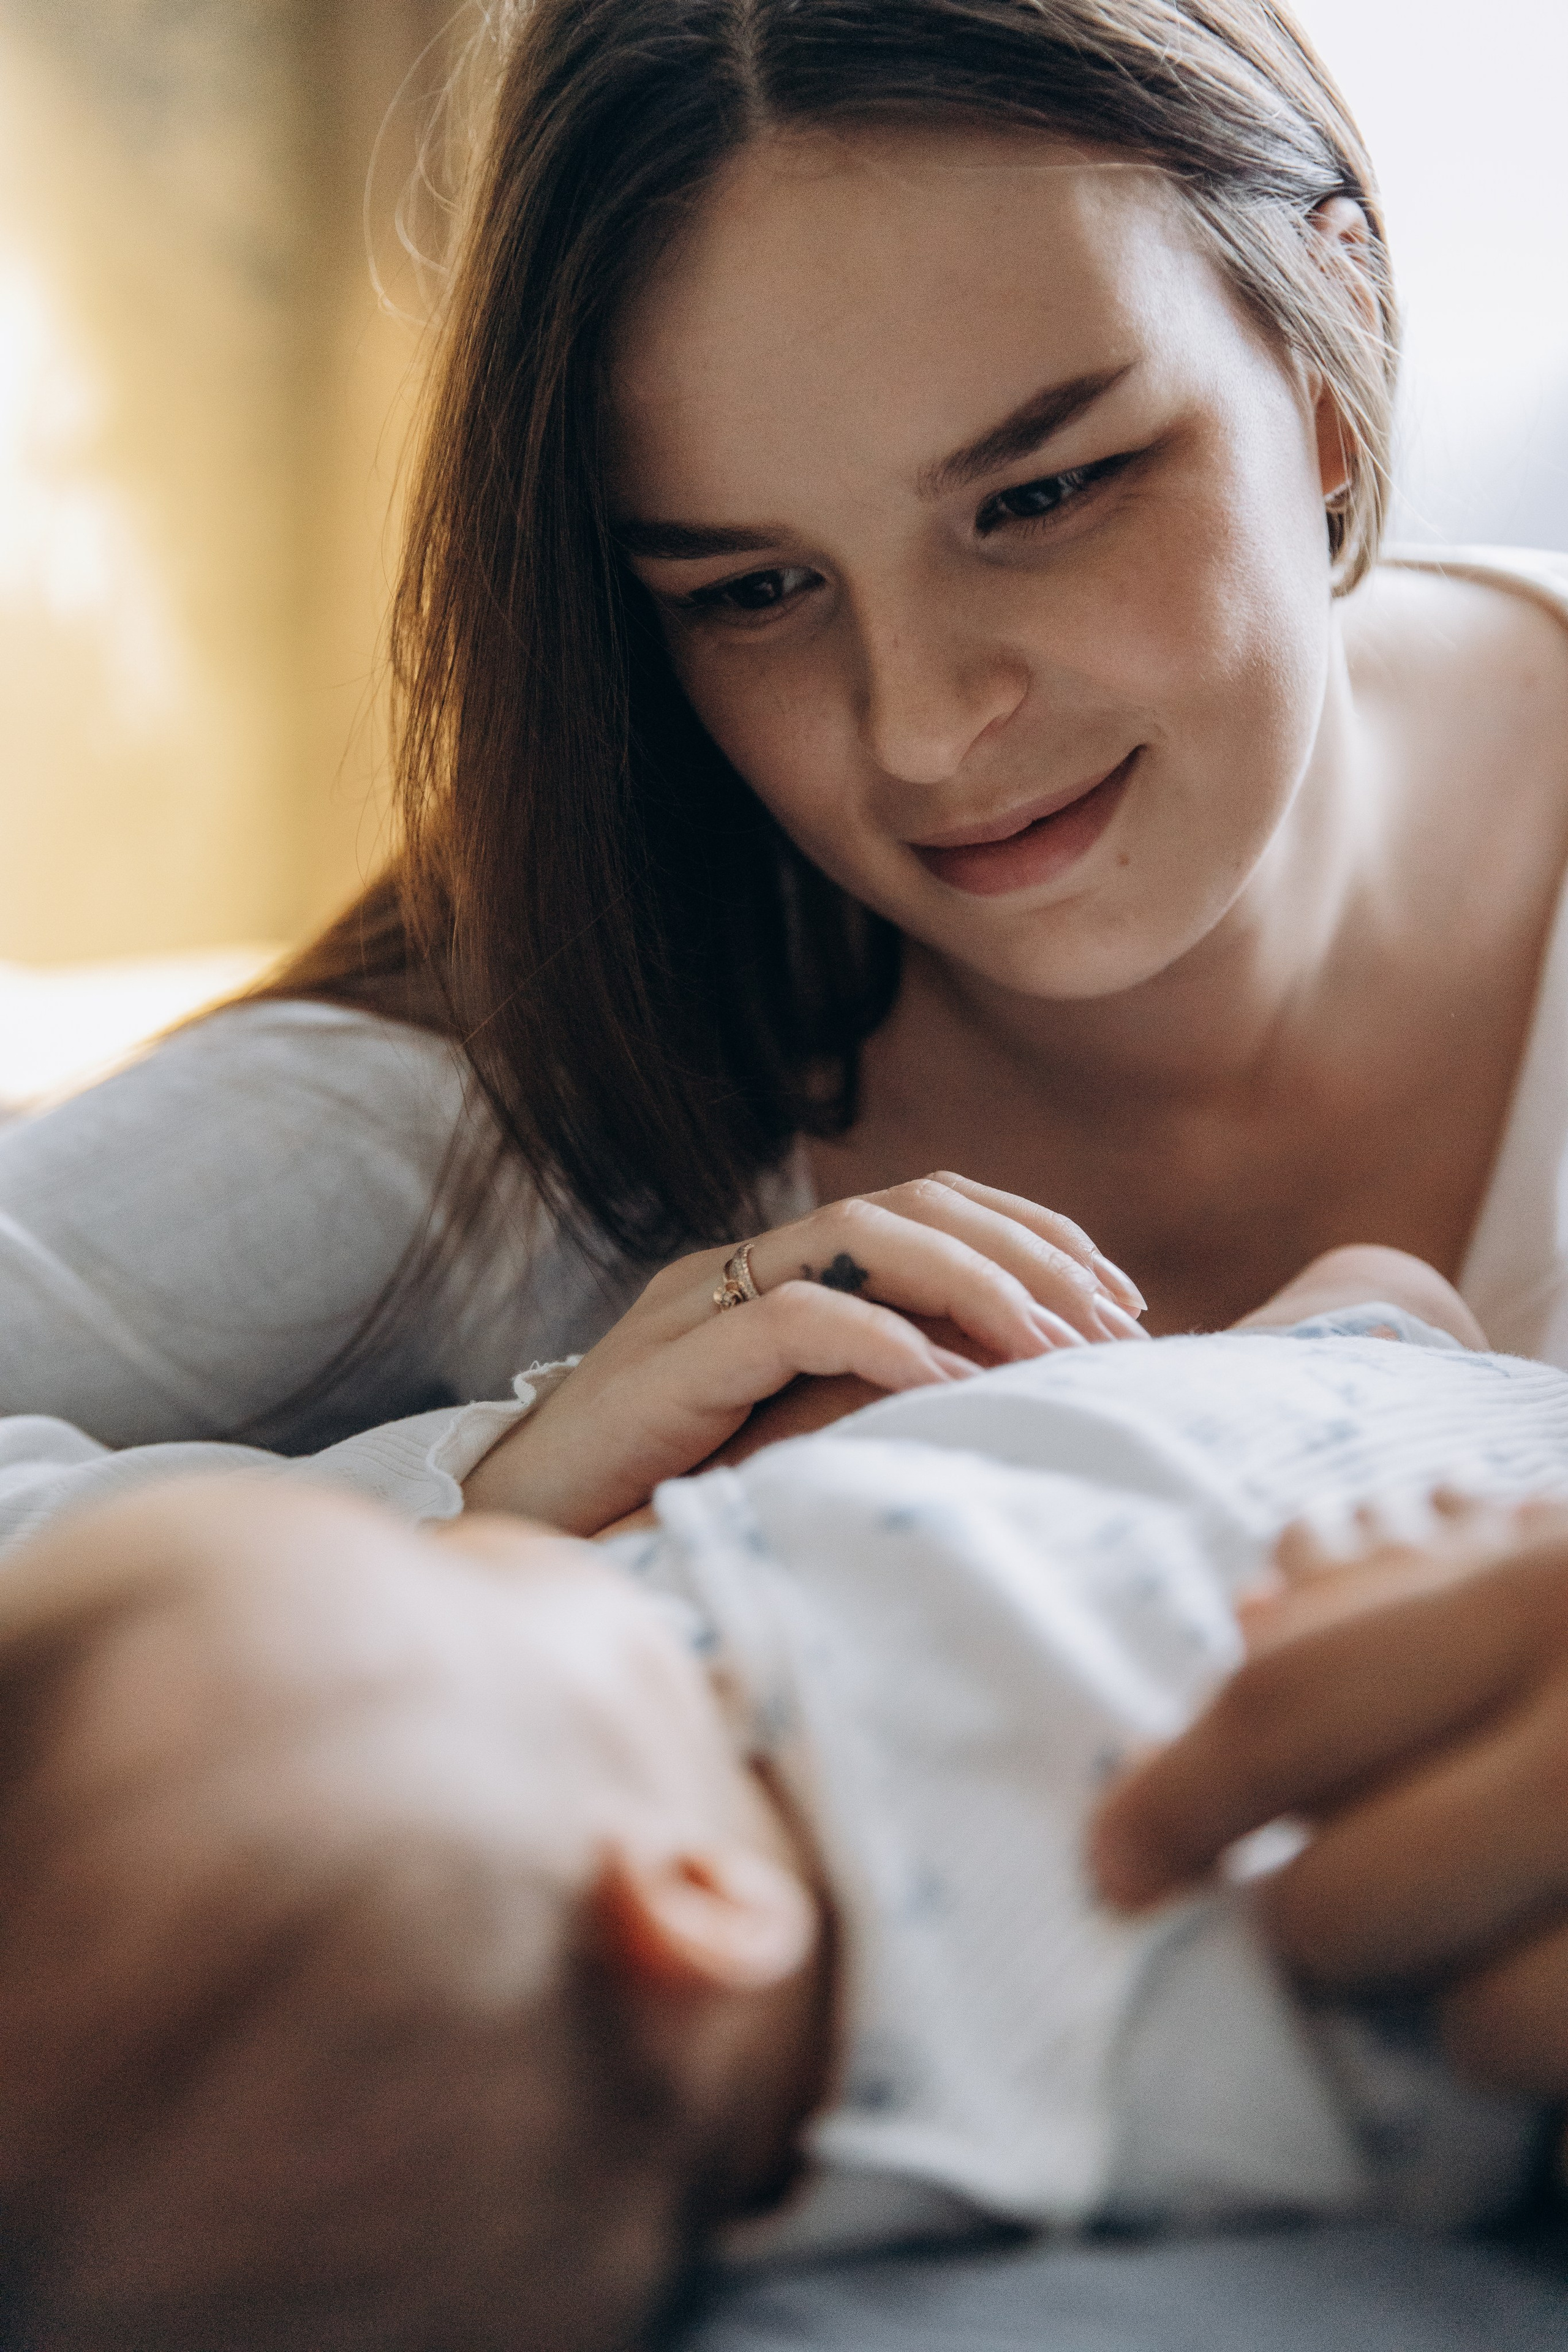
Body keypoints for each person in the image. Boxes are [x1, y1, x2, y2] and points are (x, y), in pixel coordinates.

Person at [4, 0, 1568, 2139]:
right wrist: (476, 1513)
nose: (922, 727)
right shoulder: (518, 1087)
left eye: (1043, 492)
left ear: (1329, 339)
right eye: (751, 590)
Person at [0, 1244, 1560, 2352]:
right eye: (469, 1594)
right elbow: (1467, 2029)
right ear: (691, 1902)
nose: (489, 1539)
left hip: (1209, 1401)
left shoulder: (613, 1803)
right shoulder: (1120, 2036)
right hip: (1421, 1535)